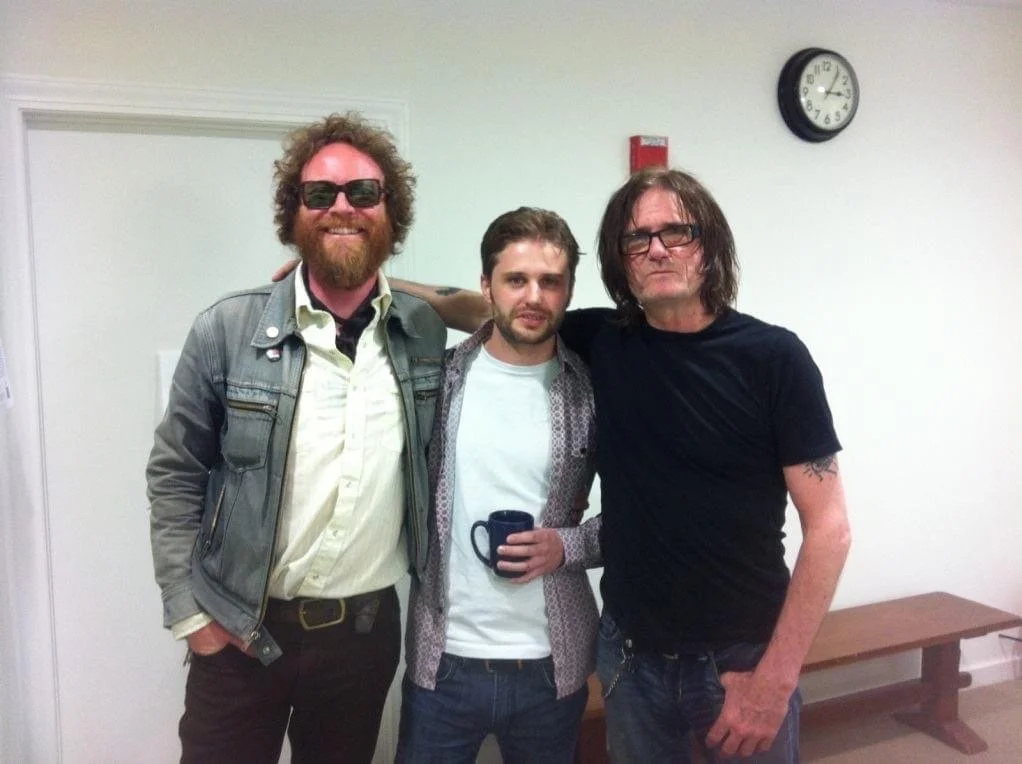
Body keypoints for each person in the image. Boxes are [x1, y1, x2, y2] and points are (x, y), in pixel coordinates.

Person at [388, 168, 851, 762]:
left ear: (708, 244)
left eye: (675, 232)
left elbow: (830, 531)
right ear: (622, 260)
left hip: (739, 660)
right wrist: (361, 284)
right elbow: (498, 307)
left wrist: (776, 680)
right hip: (630, 659)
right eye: (638, 239)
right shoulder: (604, 341)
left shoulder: (773, 358)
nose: (656, 249)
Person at [146, 112, 446, 764]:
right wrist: (191, 618)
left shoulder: (421, 332)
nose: (343, 207)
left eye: (364, 194)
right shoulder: (227, 328)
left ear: (390, 212)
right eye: (321, 195)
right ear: (295, 212)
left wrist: (388, 277)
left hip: (363, 640)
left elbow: (490, 311)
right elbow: (174, 473)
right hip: (240, 628)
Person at [395, 207, 600, 763]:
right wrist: (366, 280)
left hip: (550, 670)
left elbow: (641, 513)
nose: (533, 296)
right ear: (486, 286)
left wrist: (568, 545)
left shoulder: (591, 391)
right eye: (516, 279)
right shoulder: (435, 380)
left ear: (567, 291)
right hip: (443, 664)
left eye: (550, 282)